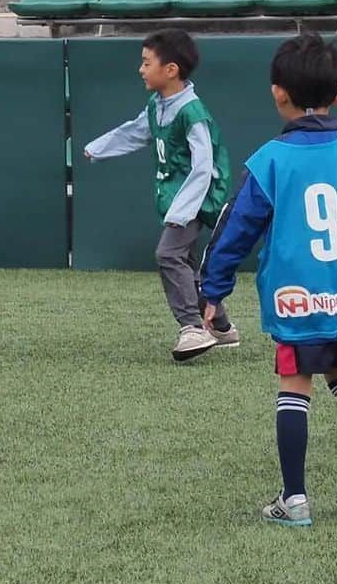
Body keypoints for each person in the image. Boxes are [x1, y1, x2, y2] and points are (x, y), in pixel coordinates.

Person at [201, 35, 337, 527]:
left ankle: (293, 499)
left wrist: (213, 291)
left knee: (295, 384)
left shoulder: (270, 160)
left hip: (298, 298)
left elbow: (235, 229)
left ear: (278, 93)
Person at [83, 29, 236, 362]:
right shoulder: (158, 105)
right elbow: (137, 131)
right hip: (175, 198)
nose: (141, 69)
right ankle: (222, 326)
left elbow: (204, 167)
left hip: (196, 198)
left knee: (168, 254)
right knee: (187, 267)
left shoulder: (192, 112)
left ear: (171, 70)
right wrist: (98, 148)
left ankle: (192, 328)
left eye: (146, 62)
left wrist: (183, 211)